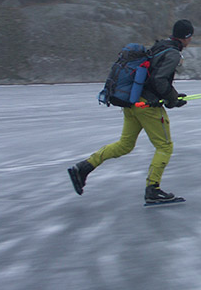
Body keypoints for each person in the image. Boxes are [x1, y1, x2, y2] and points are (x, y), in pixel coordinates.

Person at [68, 19, 194, 204]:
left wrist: (172, 97)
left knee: (125, 145)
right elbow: (159, 80)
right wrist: (173, 100)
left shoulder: (160, 46)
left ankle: (84, 167)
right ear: (187, 37)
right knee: (165, 147)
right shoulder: (173, 53)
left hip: (133, 102)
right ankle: (153, 189)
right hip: (148, 107)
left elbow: (154, 78)